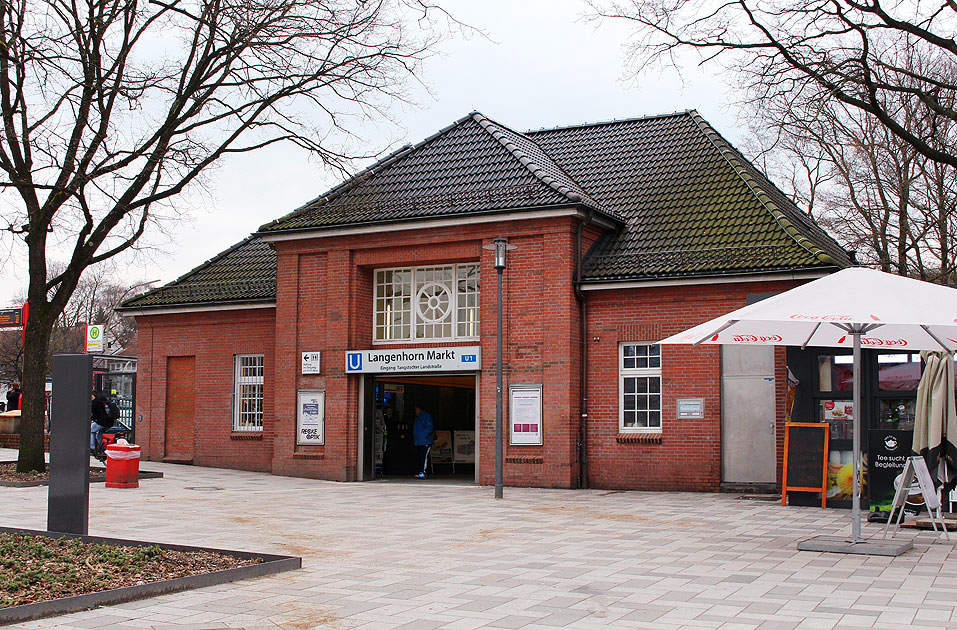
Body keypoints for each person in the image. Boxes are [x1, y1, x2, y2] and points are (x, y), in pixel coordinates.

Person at [412, 404, 434, 479]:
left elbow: (430, 427)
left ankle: (423, 472)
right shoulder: (419, 416)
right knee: (421, 457)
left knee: (423, 457)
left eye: (416, 409)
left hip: (424, 441)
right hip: (420, 441)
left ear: (419, 409)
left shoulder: (426, 416)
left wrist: (423, 436)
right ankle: (421, 471)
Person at [90, 390, 112, 455]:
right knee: (99, 434)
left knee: (91, 431)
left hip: (101, 421)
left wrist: (92, 419)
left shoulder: (95, 403)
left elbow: (96, 414)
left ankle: (92, 447)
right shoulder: (101, 401)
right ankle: (101, 447)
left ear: (92, 396)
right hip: (108, 421)